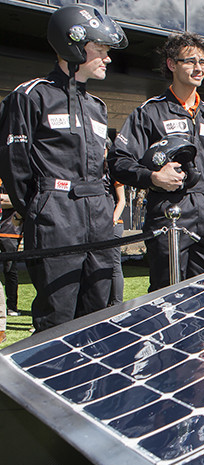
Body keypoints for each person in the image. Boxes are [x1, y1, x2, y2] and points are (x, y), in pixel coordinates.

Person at [0, 5, 127, 331]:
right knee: (57, 318)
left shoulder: (97, 107)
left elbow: (103, 165)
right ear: (74, 44)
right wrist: (40, 210)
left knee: (99, 313)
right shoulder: (31, 95)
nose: (107, 58)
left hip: (98, 214)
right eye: (100, 49)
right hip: (56, 215)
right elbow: (15, 166)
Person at [109, 32, 204, 291]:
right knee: (167, 293)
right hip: (168, 213)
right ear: (171, 64)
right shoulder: (149, 112)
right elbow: (118, 161)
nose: (198, 67)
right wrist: (153, 177)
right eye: (190, 61)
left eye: (202, 62)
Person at [0, 182, 21, 316]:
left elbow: (18, 201)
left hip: (9, 230)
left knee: (10, 269)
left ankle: (12, 305)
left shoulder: (10, 177)